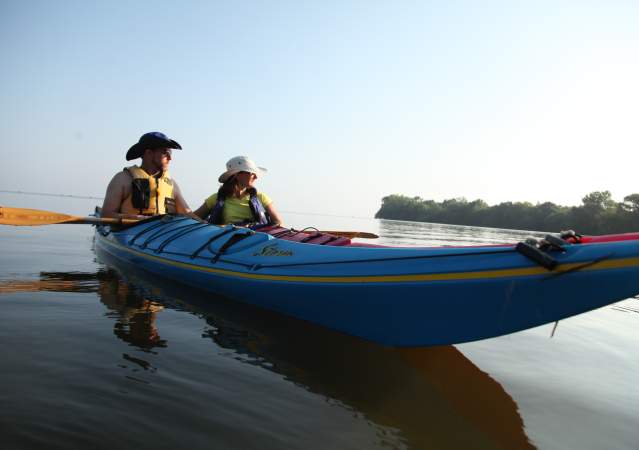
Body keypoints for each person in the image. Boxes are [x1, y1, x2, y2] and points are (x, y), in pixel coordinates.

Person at [101, 132, 192, 219]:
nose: (170, 158)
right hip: (132, 230)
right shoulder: (122, 179)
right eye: (165, 153)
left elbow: (189, 215)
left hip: (163, 232)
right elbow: (106, 215)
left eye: (170, 153)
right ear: (149, 153)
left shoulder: (172, 184)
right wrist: (136, 218)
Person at [194, 156, 283, 226]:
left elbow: (278, 222)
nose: (256, 177)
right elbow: (192, 218)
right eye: (252, 173)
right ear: (237, 175)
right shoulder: (216, 198)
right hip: (227, 245)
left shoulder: (261, 197)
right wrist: (209, 226)